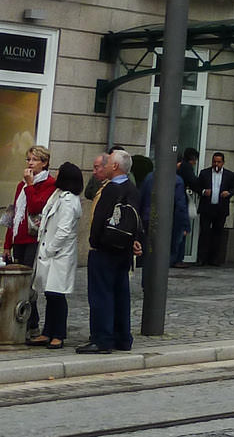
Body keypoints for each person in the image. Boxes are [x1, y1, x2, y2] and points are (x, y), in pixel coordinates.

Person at [80, 150, 143, 353]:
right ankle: (123, 337)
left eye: (108, 162)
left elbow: (98, 220)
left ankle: (102, 339)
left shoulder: (110, 190)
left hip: (104, 250)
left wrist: (94, 241)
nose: (105, 164)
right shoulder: (132, 189)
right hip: (124, 250)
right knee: (120, 293)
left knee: (101, 295)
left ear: (115, 166)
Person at [4, 146, 56, 340]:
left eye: (35, 160)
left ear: (44, 163)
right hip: (20, 238)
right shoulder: (22, 185)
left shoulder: (49, 184)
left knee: (28, 284)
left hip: (35, 239)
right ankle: (20, 321)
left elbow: (36, 206)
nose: (30, 163)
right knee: (17, 282)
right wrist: (7, 243)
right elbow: (14, 214)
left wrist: (30, 185)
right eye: (28, 159)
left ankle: (31, 324)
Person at [29, 161, 82, 350]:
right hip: (51, 251)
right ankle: (47, 331)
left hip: (59, 254)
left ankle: (58, 334)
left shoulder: (69, 200)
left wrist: (50, 249)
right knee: (50, 294)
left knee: (57, 295)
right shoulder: (58, 195)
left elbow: (64, 230)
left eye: (59, 173)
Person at [196, 151, 234, 265]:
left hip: (221, 208)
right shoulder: (204, 173)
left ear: (223, 163)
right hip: (207, 208)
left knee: (217, 233)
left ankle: (214, 258)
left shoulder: (229, 175)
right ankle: (201, 258)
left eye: (218, 162)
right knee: (204, 232)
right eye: (214, 162)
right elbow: (197, 187)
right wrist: (203, 191)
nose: (216, 164)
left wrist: (228, 193)